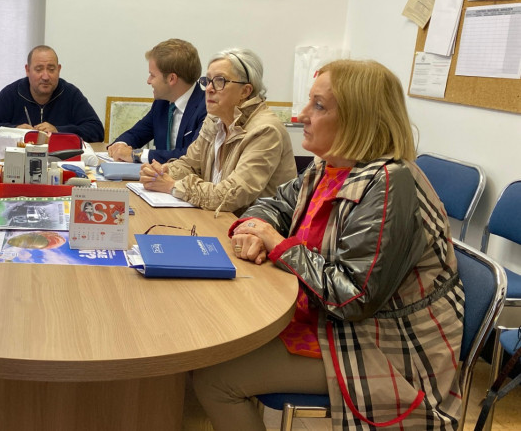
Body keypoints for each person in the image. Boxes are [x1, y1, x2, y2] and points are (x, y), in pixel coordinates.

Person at [192, 60, 465, 430]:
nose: (302, 115)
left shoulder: (390, 183)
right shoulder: (329, 166)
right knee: (213, 334)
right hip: (337, 324)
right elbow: (275, 204)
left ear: (358, 118)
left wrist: (278, 244)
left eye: (318, 106)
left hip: (385, 349)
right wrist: (255, 230)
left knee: (214, 378)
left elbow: (354, 299)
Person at [139, 49, 296, 214]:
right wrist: (161, 172)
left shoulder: (265, 130)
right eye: (207, 80)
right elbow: (190, 164)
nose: (208, 89)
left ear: (245, 91)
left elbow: (230, 196)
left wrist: (172, 185)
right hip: (215, 219)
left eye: (219, 81)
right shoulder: (214, 119)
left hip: (249, 231)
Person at [107, 38, 207, 164]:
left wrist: (137, 155)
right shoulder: (162, 103)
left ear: (172, 78)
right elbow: (137, 133)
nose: (148, 81)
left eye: (152, 75)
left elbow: (192, 157)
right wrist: (120, 145)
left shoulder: (207, 108)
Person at [0, 45, 104, 142]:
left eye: (51, 69)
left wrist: (59, 131)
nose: (46, 76)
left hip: (60, 162)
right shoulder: (13, 92)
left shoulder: (70, 94)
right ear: (27, 70)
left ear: (59, 70)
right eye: (39, 69)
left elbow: (96, 130)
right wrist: (14, 130)